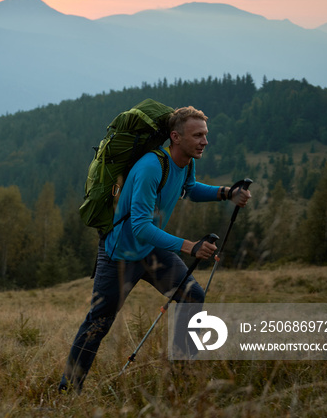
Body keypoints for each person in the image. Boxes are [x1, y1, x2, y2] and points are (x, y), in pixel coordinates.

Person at [59, 106, 251, 393]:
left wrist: (226, 192)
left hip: (150, 250)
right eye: (197, 135)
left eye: (205, 135)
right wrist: (190, 247)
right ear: (175, 136)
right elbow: (139, 227)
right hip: (120, 255)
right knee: (98, 323)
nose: (204, 141)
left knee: (192, 296)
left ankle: (182, 377)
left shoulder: (186, 161)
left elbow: (190, 188)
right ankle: (67, 391)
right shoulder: (151, 166)